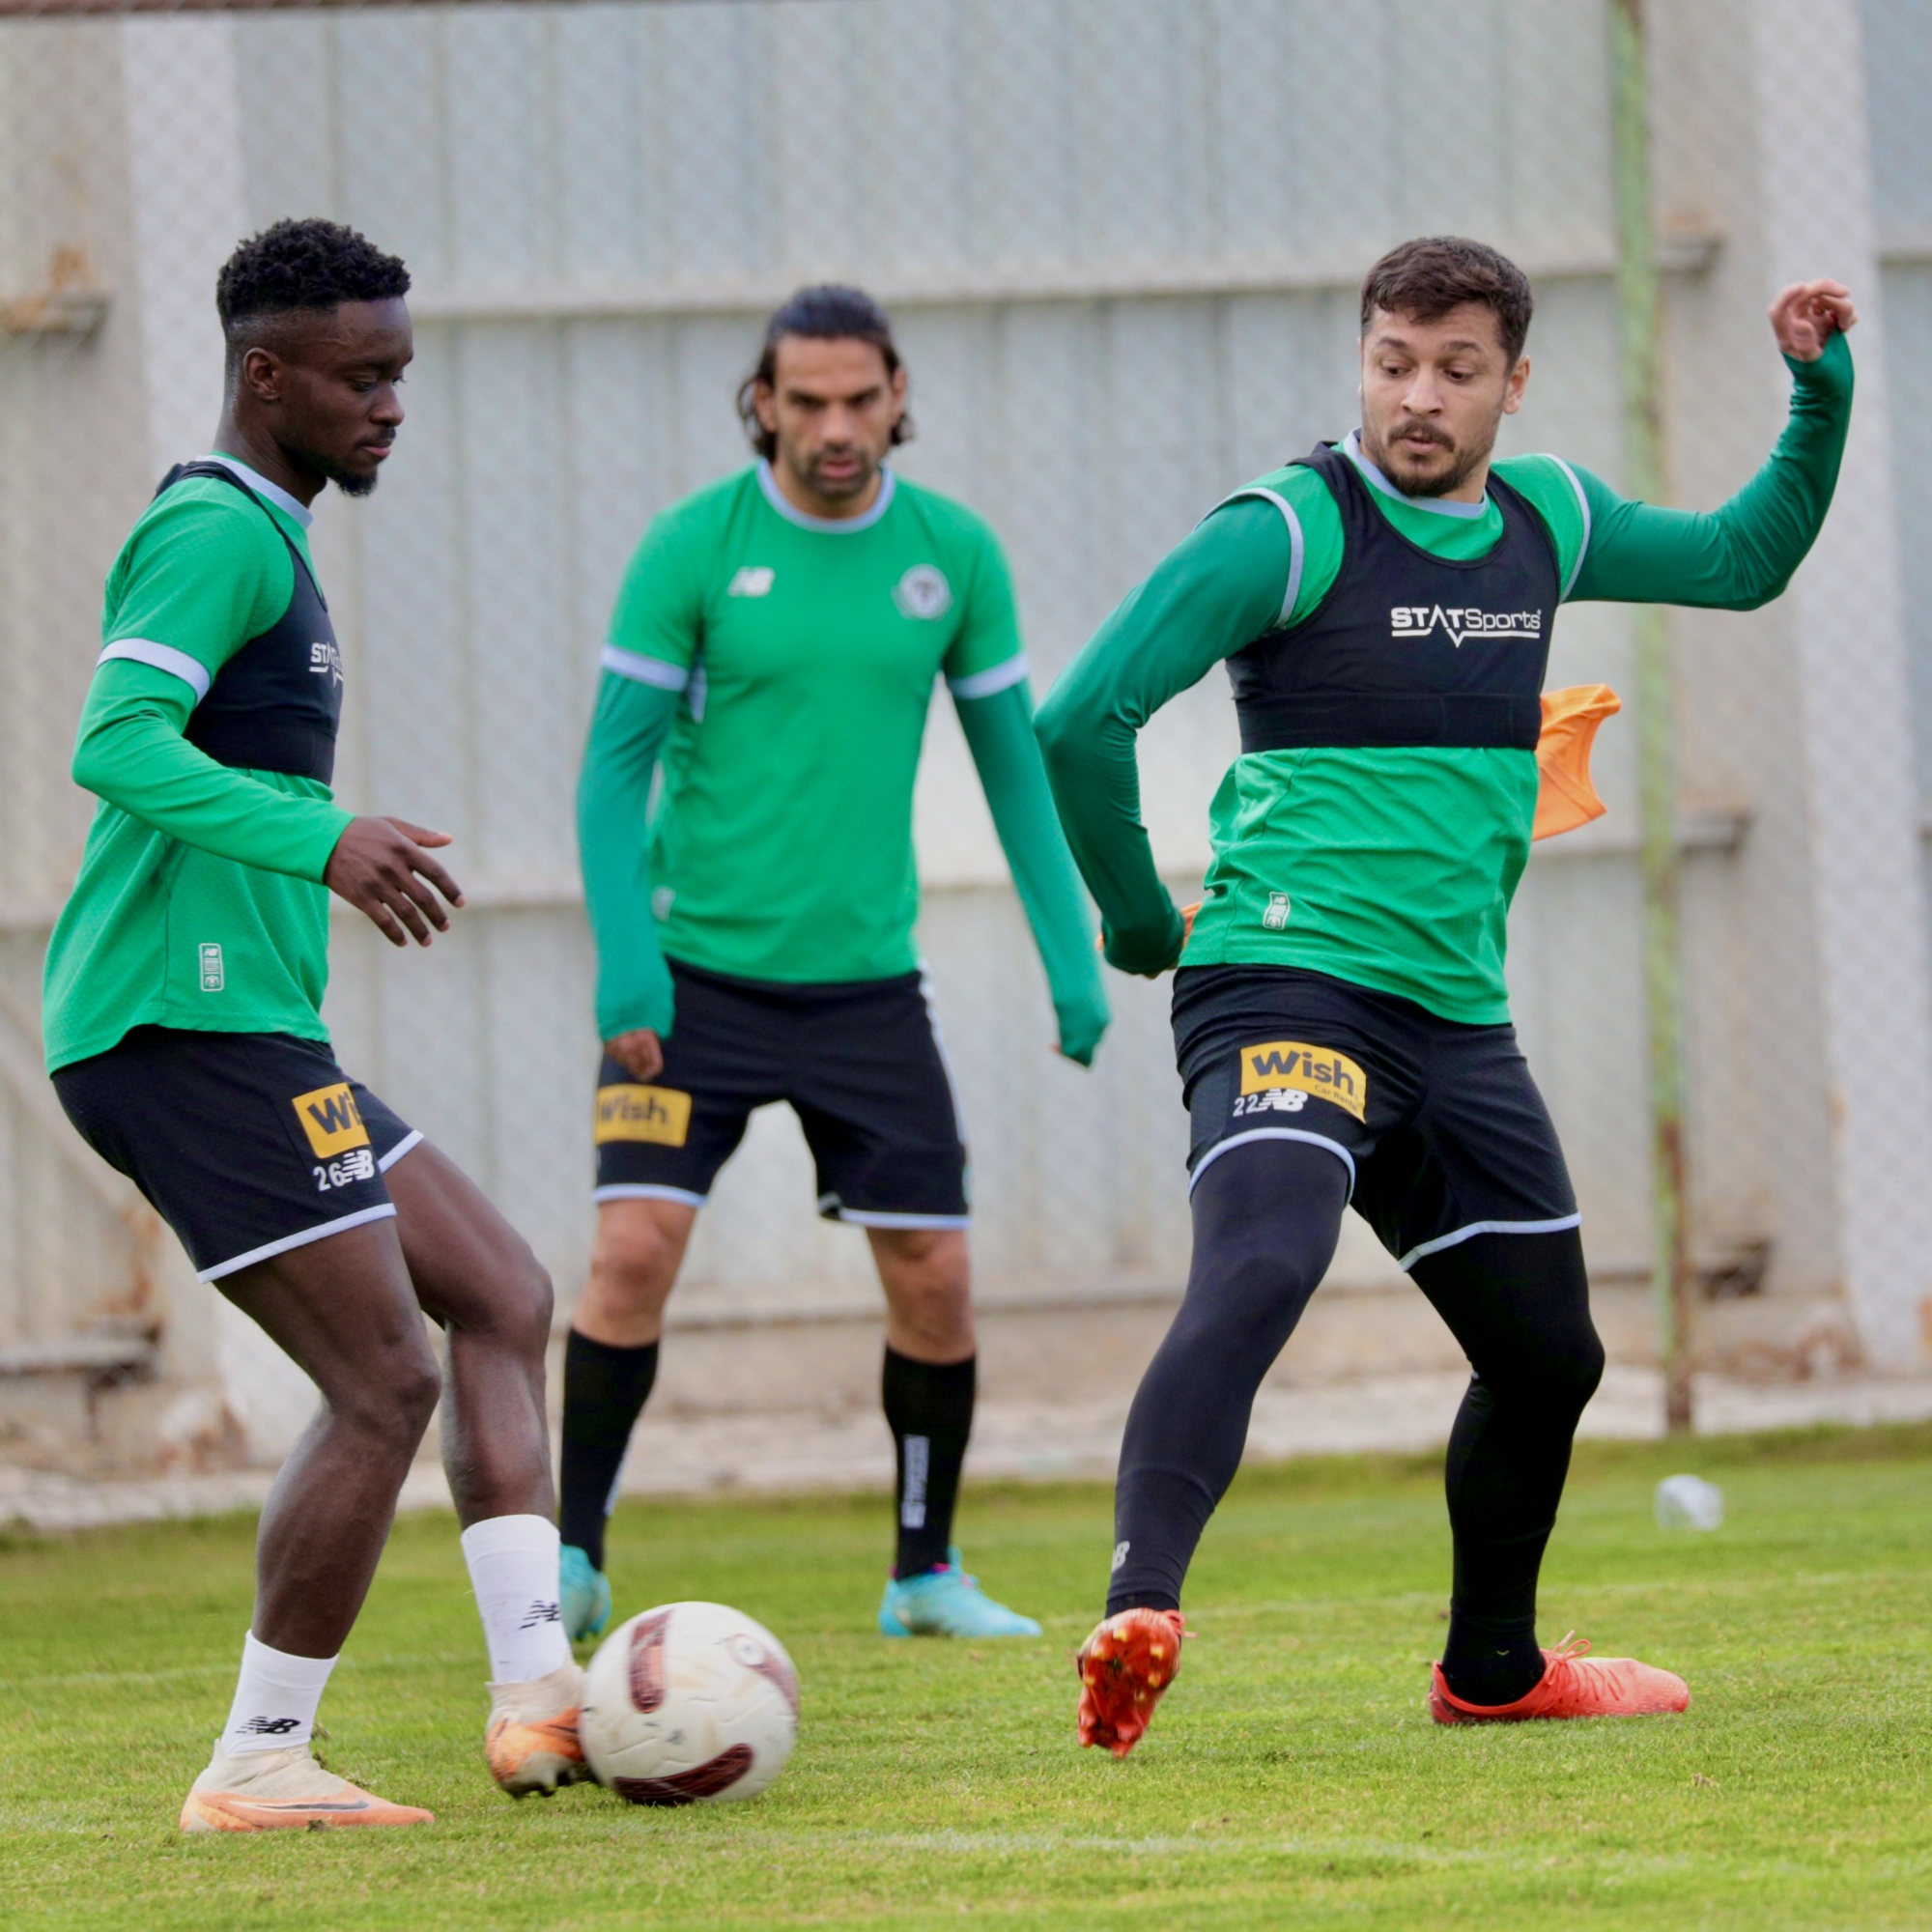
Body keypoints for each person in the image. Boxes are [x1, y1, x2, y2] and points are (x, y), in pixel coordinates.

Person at [1037, 236, 1856, 1754]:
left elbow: (1745, 561)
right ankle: (1140, 1612)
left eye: (1455, 370)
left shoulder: (1549, 519)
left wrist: (1820, 393)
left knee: (1551, 1356)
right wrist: (1142, 920)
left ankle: (1493, 1672)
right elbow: (1082, 718)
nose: (1418, 397)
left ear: (1512, 384)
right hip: (1284, 985)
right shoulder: (1288, 530)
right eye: (1393, 363)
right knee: (1264, 1262)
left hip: (1457, 1025)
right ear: (1363, 363)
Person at [45, 220, 585, 1829]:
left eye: (400, 374)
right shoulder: (213, 531)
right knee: (383, 1381)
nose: (390, 405)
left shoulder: (273, 536)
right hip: (174, 1026)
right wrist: (324, 838)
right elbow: (114, 740)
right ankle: (260, 1759)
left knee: (501, 1291)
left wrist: (313, 846)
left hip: (252, 1025)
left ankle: (541, 1698)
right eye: (362, 377)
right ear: (264, 373)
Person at [563, 285, 1108, 1641]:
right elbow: (610, 774)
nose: (837, 427)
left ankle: (924, 1573)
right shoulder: (694, 547)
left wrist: (1072, 955)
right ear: (763, 404)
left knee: (936, 1273)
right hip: (693, 980)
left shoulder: (951, 555)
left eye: (861, 398)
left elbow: (1016, 773)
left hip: (866, 989)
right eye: (806, 402)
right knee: (632, 1251)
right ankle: (571, 1560)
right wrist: (627, 968)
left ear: (898, 395)